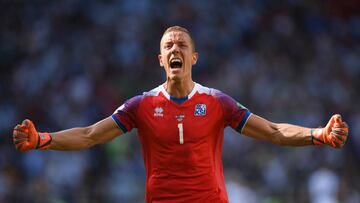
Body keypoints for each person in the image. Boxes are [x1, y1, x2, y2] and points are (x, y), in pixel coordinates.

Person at [12, 26, 349, 203]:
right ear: (160, 60)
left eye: (182, 45)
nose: (175, 49)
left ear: (194, 57)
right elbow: (89, 135)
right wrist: (43, 140)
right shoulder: (140, 106)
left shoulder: (218, 102)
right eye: (168, 46)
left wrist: (318, 134)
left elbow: (273, 130)